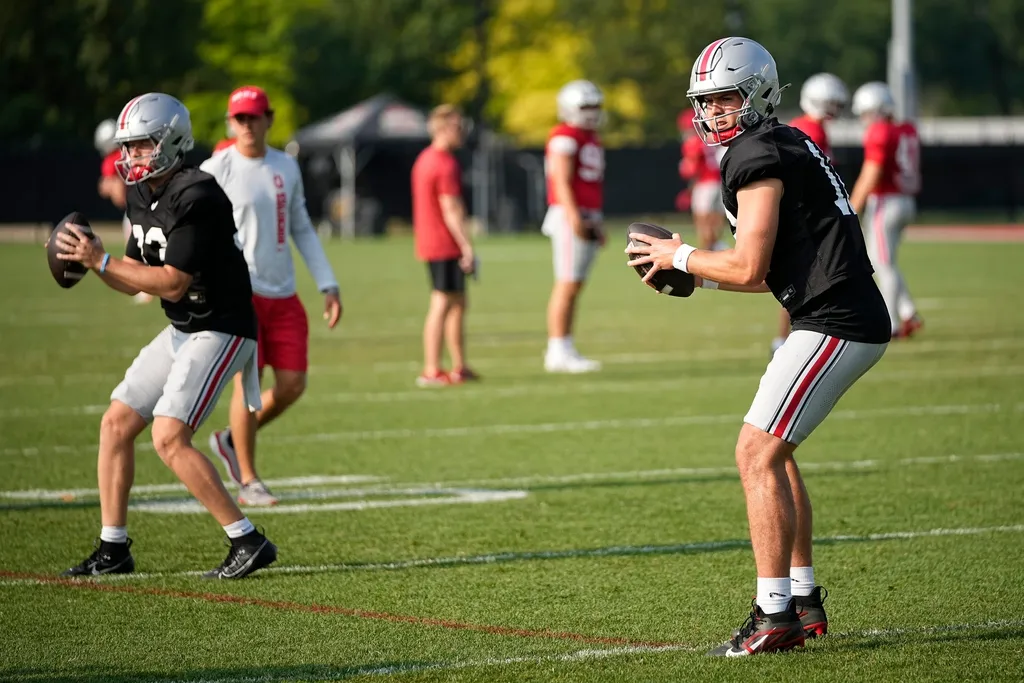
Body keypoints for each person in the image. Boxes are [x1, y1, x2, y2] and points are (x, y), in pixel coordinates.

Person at [626, 37, 890, 656]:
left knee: (755, 453)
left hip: (837, 319)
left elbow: (747, 269)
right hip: (829, 313)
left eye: (726, 98)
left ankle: (774, 615)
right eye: (707, 101)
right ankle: (800, 596)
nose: (715, 112)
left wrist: (680, 255)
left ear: (759, 94)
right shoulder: (787, 141)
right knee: (775, 449)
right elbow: (767, 267)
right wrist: (695, 270)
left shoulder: (756, 152)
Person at [56, 92, 276, 579]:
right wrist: (96, 264)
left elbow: (173, 280)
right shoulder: (140, 194)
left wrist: (104, 261)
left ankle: (247, 539)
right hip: (184, 326)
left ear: (172, 141)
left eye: (140, 145)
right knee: (115, 424)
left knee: (169, 436)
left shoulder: (197, 194)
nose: (129, 156)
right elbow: (135, 272)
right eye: (128, 146)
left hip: (222, 326)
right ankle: (114, 549)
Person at [202, 86, 342, 506]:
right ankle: (248, 480)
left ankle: (230, 440)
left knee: (293, 384)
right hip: (239, 297)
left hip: (284, 295)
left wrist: (327, 282)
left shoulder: (286, 166)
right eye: (239, 118)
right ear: (231, 122)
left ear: (269, 120)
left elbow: (299, 224)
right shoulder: (216, 168)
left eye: (254, 117)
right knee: (248, 388)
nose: (246, 125)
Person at [772, 73, 850, 354]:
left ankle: (785, 340)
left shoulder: (813, 127)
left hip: (803, 213)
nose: (834, 109)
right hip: (804, 216)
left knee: (803, 279)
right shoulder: (810, 130)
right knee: (800, 279)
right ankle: (785, 341)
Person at [849, 81, 923, 339]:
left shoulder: (880, 132)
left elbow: (871, 173)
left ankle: (890, 323)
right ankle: (908, 312)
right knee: (885, 260)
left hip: (886, 202)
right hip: (906, 201)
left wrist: (851, 208)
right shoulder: (907, 129)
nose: (864, 119)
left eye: (867, 113)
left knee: (882, 263)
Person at [411, 104, 477, 387]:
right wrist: (467, 246)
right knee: (442, 303)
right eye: (457, 127)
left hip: (435, 242)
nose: (462, 132)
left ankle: (459, 366)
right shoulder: (444, 162)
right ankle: (431, 369)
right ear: (441, 129)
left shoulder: (425, 158)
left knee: (458, 302)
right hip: (443, 244)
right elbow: (451, 208)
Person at [542, 80, 606, 373]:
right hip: (571, 214)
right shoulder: (565, 136)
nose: (592, 113)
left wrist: (594, 219)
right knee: (567, 283)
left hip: (586, 213)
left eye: (595, 106)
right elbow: (560, 180)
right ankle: (558, 349)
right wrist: (574, 217)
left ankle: (564, 346)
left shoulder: (590, 136)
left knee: (574, 284)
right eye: (586, 107)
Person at [96, 118, 152, 304]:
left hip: (135, 209)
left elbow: (119, 196)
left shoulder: (112, 161)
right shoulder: (129, 155)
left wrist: (108, 187)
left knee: (138, 251)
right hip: (147, 205)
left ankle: (145, 286)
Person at [678, 109, 727, 251]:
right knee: (715, 223)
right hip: (718, 183)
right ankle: (716, 249)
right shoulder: (710, 140)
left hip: (704, 185)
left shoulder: (693, 142)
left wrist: (688, 187)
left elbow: (692, 170)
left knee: (702, 225)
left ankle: (706, 256)